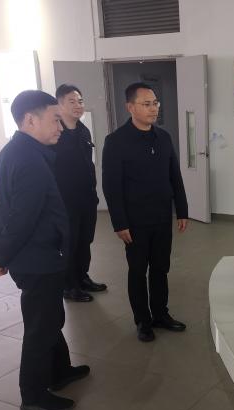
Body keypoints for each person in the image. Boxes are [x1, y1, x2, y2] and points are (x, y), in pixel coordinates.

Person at [0, 90, 90, 410]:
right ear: (30, 120)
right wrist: (0, 256)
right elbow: (21, 217)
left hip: (39, 255)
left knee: (50, 317)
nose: (60, 127)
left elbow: (0, 206)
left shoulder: (15, 152)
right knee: (41, 327)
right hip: (38, 259)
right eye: (55, 119)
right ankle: (33, 396)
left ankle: (60, 372)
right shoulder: (29, 160)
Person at [102, 82, 188, 342]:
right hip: (135, 221)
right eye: (146, 104)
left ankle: (160, 314)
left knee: (161, 268)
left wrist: (182, 210)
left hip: (161, 216)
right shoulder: (116, 141)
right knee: (138, 271)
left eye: (155, 103)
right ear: (130, 107)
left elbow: (175, 175)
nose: (153, 109)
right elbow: (111, 186)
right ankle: (143, 320)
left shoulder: (163, 137)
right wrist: (120, 223)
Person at [53, 84, 107, 302]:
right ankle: (69, 286)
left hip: (86, 198)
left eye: (80, 101)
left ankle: (82, 278)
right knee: (70, 243)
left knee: (85, 240)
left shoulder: (83, 130)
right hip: (65, 201)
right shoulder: (55, 133)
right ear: (59, 105)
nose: (78, 105)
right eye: (72, 101)